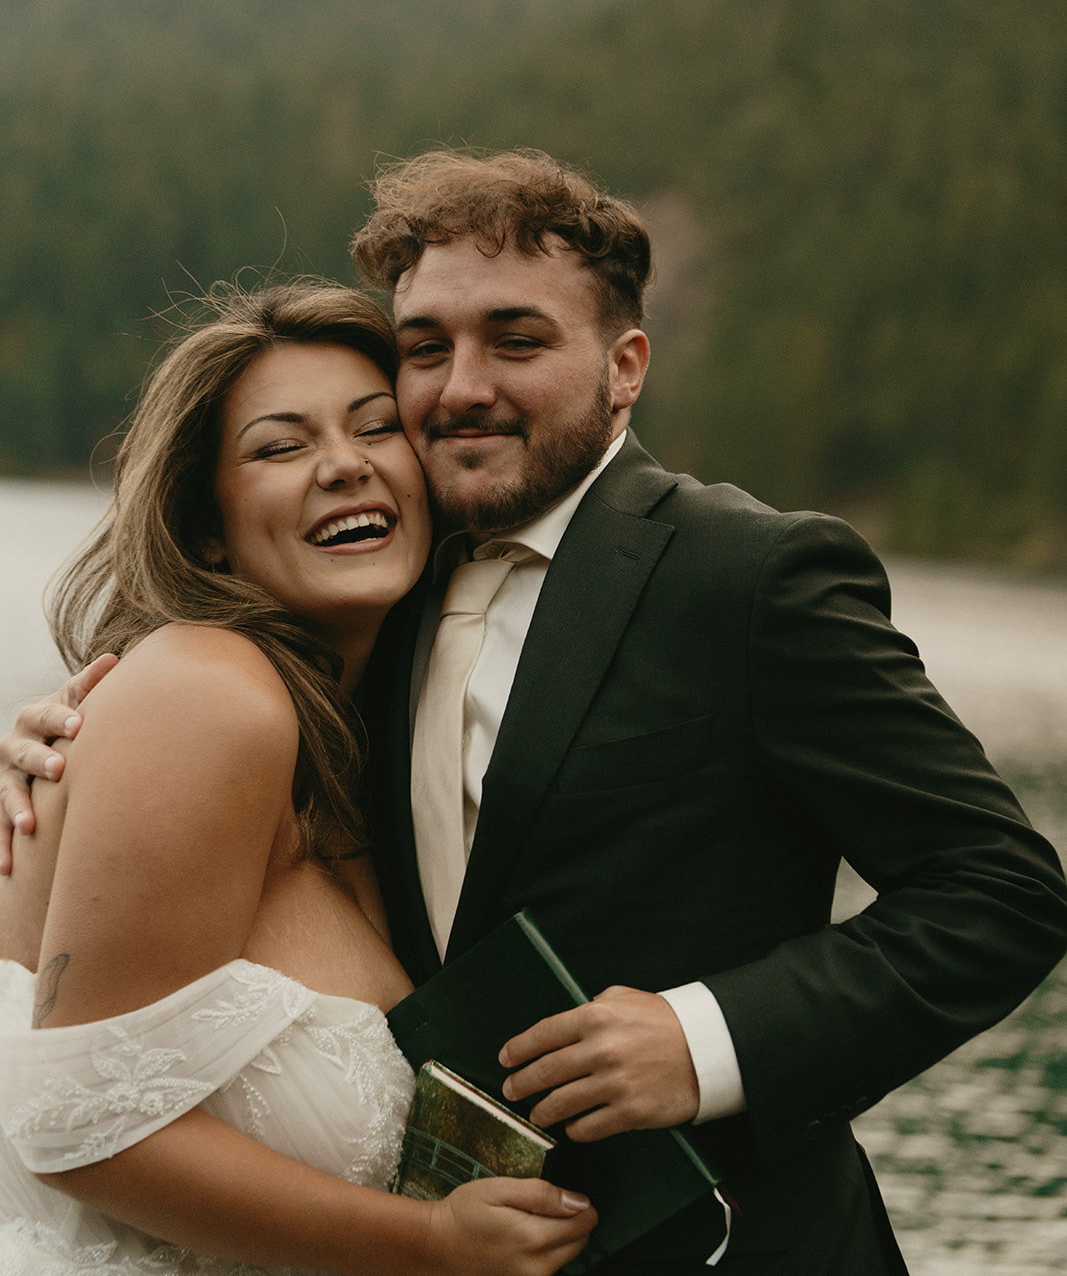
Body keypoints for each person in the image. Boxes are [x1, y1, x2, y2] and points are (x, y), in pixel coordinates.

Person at [4, 152, 1067, 1273]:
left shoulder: (749, 576)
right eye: (425, 349)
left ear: (624, 368)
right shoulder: (378, 595)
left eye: (516, 340)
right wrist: (65, 759)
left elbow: (997, 890)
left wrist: (703, 1038)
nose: (462, 386)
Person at [0, 280, 597, 1276]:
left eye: (375, 427)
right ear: (205, 529)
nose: (343, 464)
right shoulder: (210, 691)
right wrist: (432, 1242)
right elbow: (74, 1126)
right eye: (280, 446)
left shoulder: (365, 747)